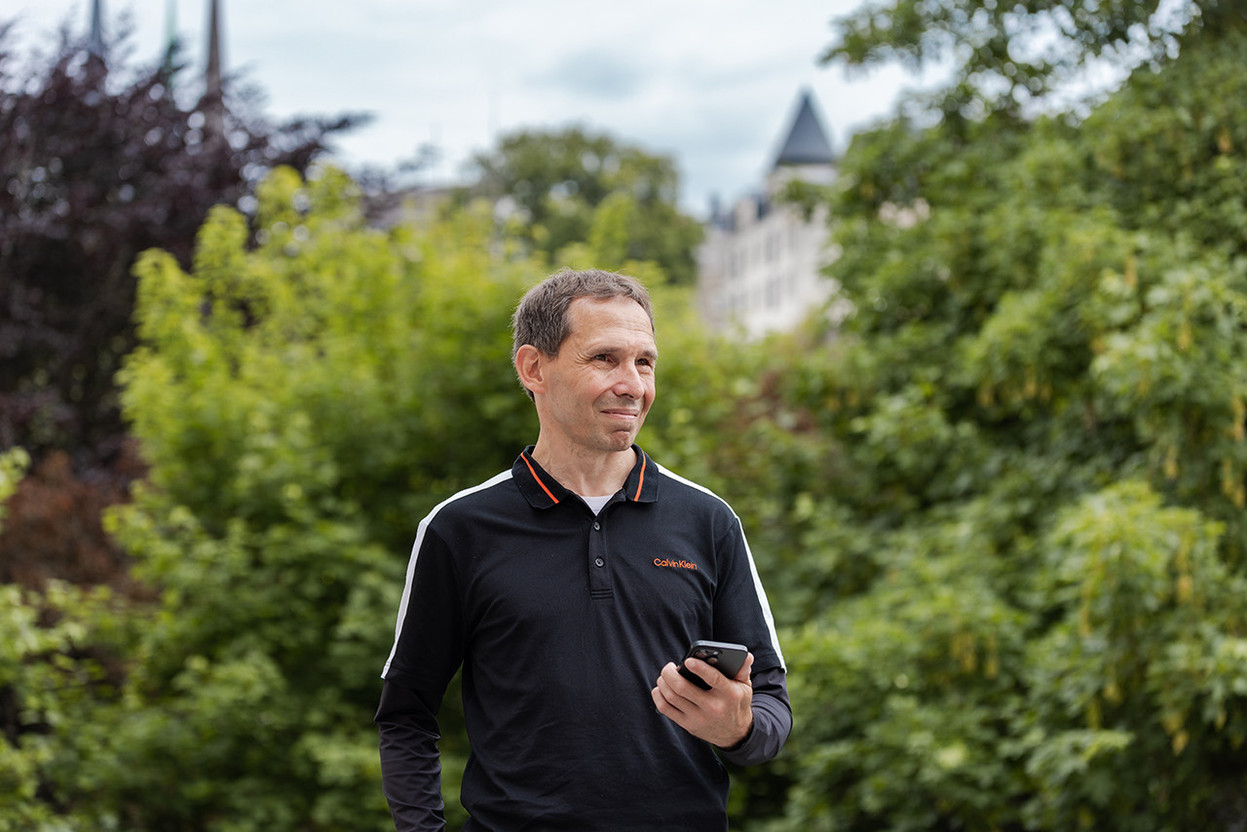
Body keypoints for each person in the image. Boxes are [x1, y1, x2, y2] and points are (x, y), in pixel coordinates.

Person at [376, 268, 790, 831]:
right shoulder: (459, 528)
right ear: (534, 368)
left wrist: (739, 730)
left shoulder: (709, 520)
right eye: (604, 359)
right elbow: (406, 714)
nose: (633, 384)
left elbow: (770, 705)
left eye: (644, 362)